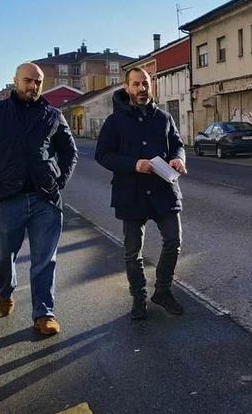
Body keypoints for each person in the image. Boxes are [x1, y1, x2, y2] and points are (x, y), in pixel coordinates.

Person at [0, 62, 77, 335]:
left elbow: (69, 152)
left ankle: (44, 313)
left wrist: (59, 182)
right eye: (28, 80)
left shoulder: (52, 115)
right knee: (2, 256)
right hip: (6, 199)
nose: (33, 86)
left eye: (38, 82)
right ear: (15, 81)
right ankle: (4, 291)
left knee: (44, 259)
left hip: (44, 200)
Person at [95, 68, 187, 320]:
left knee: (173, 241)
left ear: (151, 85)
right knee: (132, 251)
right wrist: (133, 164)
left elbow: (177, 145)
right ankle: (139, 297)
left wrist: (178, 159)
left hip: (163, 190)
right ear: (127, 88)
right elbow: (102, 155)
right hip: (131, 192)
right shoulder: (115, 122)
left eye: (145, 84)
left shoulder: (164, 118)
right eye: (136, 84)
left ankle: (163, 291)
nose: (141, 89)